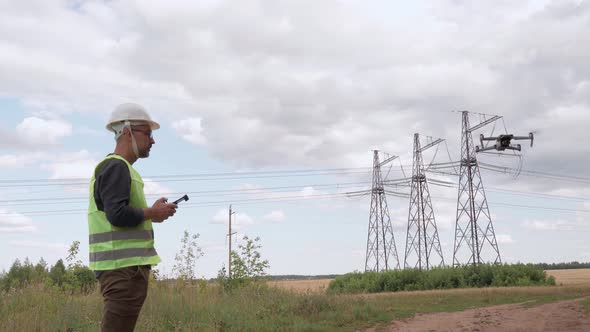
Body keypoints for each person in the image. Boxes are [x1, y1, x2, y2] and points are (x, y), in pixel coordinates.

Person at [88, 103, 177, 331]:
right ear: (127, 132)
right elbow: (116, 214)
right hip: (123, 270)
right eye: (147, 133)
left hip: (123, 269)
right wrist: (152, 213)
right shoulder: (116, 167)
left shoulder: (121, 168)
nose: (153, 140)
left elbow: (119, 213)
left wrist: (151, 215)